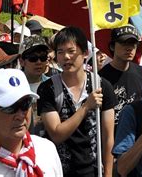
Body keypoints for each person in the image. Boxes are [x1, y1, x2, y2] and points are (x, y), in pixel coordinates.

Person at [38, 26, 116, 176]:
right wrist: (86, 107)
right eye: (60, 52)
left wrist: (108, 173)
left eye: (71, 51)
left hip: (92, 171)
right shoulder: (48, 88)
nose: (66, 57)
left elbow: (108, 137)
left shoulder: (101, 86)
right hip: (57, 170)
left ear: (85, 53)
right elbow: (56, 134)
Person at [99, 25, 142, 127]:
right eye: (124, 43)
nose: (129, 48)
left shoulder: (141, 72)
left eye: (133, 44)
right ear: (112, 46)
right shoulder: (101, 77)